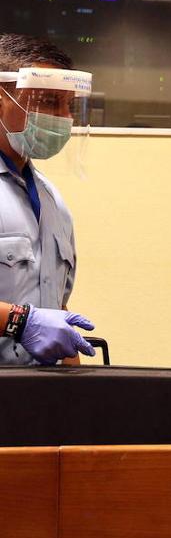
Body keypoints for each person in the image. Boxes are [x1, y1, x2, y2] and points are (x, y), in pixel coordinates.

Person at [0, 35, 96, 366]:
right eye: (49, 101)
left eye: (69, 105)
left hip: (37, 391)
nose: (64, 117)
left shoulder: (52, 201)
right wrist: (20, 322)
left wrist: (75, 381)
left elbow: (55, 309)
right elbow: (34, 322)